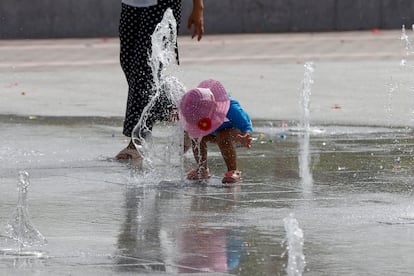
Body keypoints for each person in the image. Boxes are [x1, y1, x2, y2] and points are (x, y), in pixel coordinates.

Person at [116, 0, 205, 160]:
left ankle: (136, 143)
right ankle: (186, 115)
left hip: (162, 3)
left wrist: (198, 7)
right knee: (128, 63)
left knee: (144, 69)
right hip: (131, 3)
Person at [179, 79, 253, 184]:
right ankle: (202, 168)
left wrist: (246, 136)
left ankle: (233, 170)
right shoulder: (195, 109)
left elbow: (246, 125)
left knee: (223, 136)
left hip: (234, 132)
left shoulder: (231, 108)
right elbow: (189, 130)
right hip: (212, 131)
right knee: (196, 136)